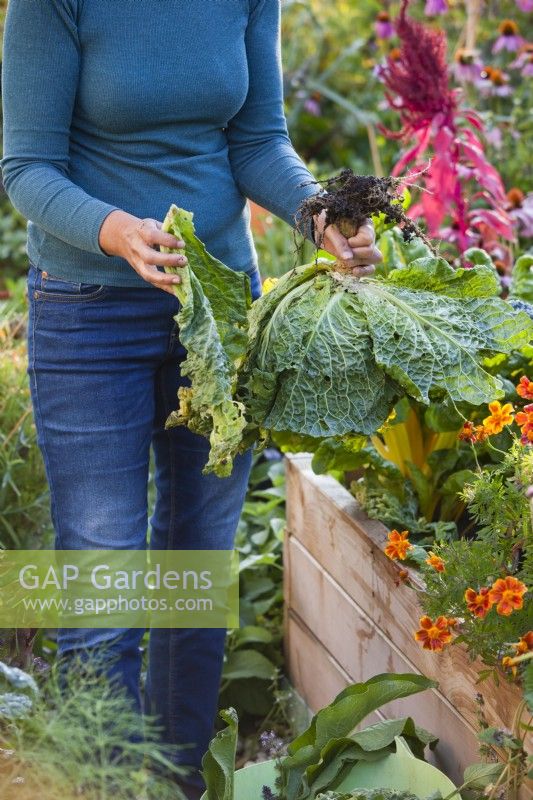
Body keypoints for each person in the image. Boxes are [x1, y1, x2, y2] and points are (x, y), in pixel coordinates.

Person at [1, 1, 382, 797]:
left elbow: (255, 139)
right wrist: (116, 231)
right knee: (104, 574)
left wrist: (318, 215)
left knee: (198, 563)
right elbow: (26, 168)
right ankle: (102, 784)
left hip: (218, 310)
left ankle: (176, 781)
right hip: (88, 310)